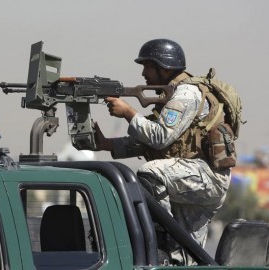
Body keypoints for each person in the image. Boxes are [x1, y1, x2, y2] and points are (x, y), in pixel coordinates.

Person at [94, 38, 232, 265]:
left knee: (150, 172)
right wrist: (107, 144)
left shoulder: (186, 94)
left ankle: (158, 235)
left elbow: (159, 137)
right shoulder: (172, 94)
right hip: (188, 177)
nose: (143, 73)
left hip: (206, 176)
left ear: (163, 67)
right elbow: (151, 142)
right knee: (187, 257)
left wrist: (129, 113)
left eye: (147, 66)